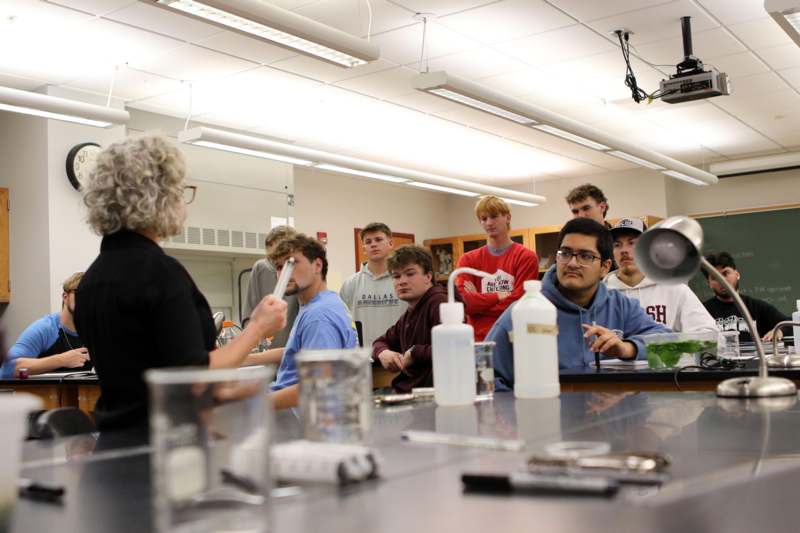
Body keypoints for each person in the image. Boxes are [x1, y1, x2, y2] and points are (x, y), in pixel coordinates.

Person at [75, 134, 287, 432]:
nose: (183, 203)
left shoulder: (91, 280)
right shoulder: (160, 273)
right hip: (166, 448)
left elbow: (147, 372)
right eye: (180, 192)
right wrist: (258, 327)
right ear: (158, 197)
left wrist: (230, 392)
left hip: (112, 441)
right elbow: (193, 377)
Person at [486, 218, 669, 389]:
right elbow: (484, 375)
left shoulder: (621, 307)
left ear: (605, 267)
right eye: (565, 253)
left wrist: (627, 348)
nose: (572, 263)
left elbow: (666, 342)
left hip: (611, 419)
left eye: (585, 256)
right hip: (547, 418)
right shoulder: (523, 313)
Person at [250, 233, 358, 410]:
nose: (284, 272)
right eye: (279, 267)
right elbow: (300, 349)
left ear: (317, 265)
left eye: (291, 263)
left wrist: (250, 406)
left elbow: (317, 386)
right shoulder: (321, 303)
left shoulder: (319, 315)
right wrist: (246, 359)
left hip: (301, 419)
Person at [604, 218, 717, 333]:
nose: (624, 250)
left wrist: (676, 345)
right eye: (617, 245)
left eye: (632, 243)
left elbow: (709, 331)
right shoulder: (601, 293)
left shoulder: (673, 288)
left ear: (646, 247)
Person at [455, 196, 539, 341]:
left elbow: (519, 304)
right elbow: (463, 303)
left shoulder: (526, 257)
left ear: (507, 217)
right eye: (483, 218)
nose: (489, 223)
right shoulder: (468, 260)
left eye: (494, 216)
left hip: (511, 339)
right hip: (478, 342)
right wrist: (498, 296)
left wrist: (479, 304)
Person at [372, 245, 453, 392]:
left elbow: (454, 350)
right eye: (396, 276)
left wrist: (415, 352)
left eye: (410, 274)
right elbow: (380, 341)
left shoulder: (440, 303)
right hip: (409, 392)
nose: (401, 281)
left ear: (428, 277)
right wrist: (383, 353)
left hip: (432, 397)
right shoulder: (411, 312)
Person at [1, 272, 91, 378]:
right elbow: (7, 368)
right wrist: (61, 360)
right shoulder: (45, 329)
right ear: (65, 296)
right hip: (45, 393)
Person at [340, 222, 407, 348]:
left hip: (397, 357)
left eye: (378, 239)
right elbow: (343, 323)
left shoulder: (403, 281)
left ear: (391, 244)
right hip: (362, 358)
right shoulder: (350, 284)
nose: (373, 244)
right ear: (364, 248)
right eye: (368, 242)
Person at [702, 252, 789, 342]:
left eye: (725, 273)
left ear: (737, 274)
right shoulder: (702, 311)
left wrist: (779, 330)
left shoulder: (756, 307)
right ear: (709, 284)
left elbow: (789, 324)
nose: (722, 280)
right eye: (715, 277)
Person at [242, 225, 300, 348]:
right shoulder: (261, 268)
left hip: (291, 352)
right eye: (271, 258)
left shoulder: (298, 271)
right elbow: (249, 314)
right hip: (266, 353)